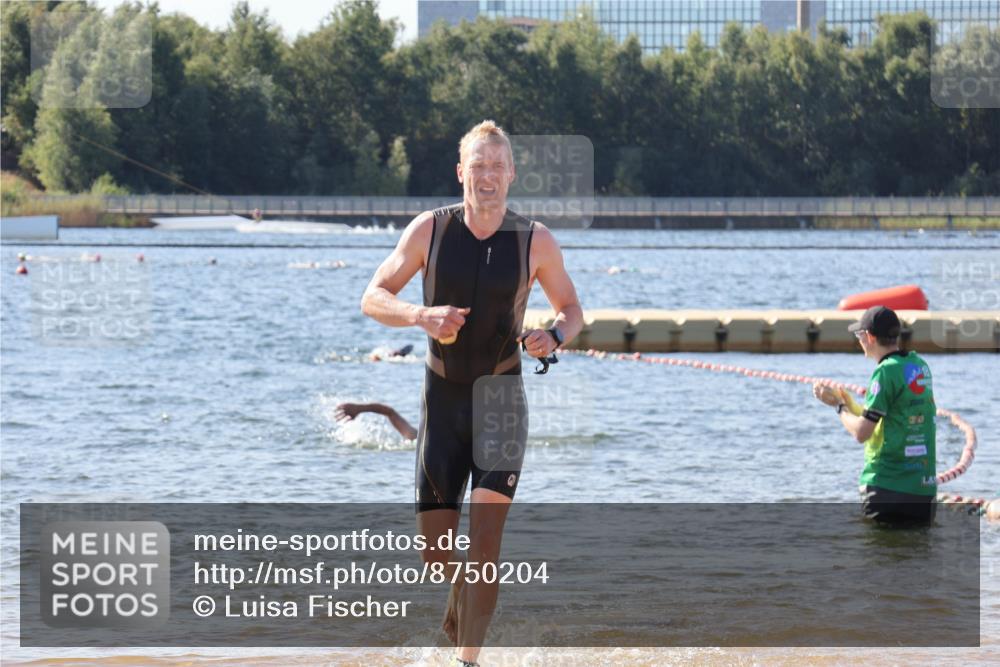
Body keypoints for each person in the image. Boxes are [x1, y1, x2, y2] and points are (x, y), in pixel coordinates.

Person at [361, 120, 583, 666]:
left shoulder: (536, 240)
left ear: (511, 174)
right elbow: (372, 296)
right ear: (461, 172)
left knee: (485, 546)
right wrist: (419, 314)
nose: (487, 176)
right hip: (442, 401)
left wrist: (551, 336)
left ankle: (467, 661)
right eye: (477, 166)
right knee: (437, 555)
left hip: (501, 401)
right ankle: (459, 593)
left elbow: (573, 311)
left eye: (496, 166)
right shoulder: (429, 231)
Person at [813, 306, 937, 526]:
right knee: (916, 555)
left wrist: (839, 407)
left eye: (859, 335)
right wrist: (851, 403)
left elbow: (862, 432)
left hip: (887, 487)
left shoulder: (884, 372)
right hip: (922, 490)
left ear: (869, 337)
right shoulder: (918, 366)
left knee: (877, 557)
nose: (859, 340)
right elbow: (889, 420)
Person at [334, 402, 417, 441]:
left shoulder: (419, 438)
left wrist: (359, 408)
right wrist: (359, 408)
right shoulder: (419, 437)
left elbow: (390, 413)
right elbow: (390, 413)